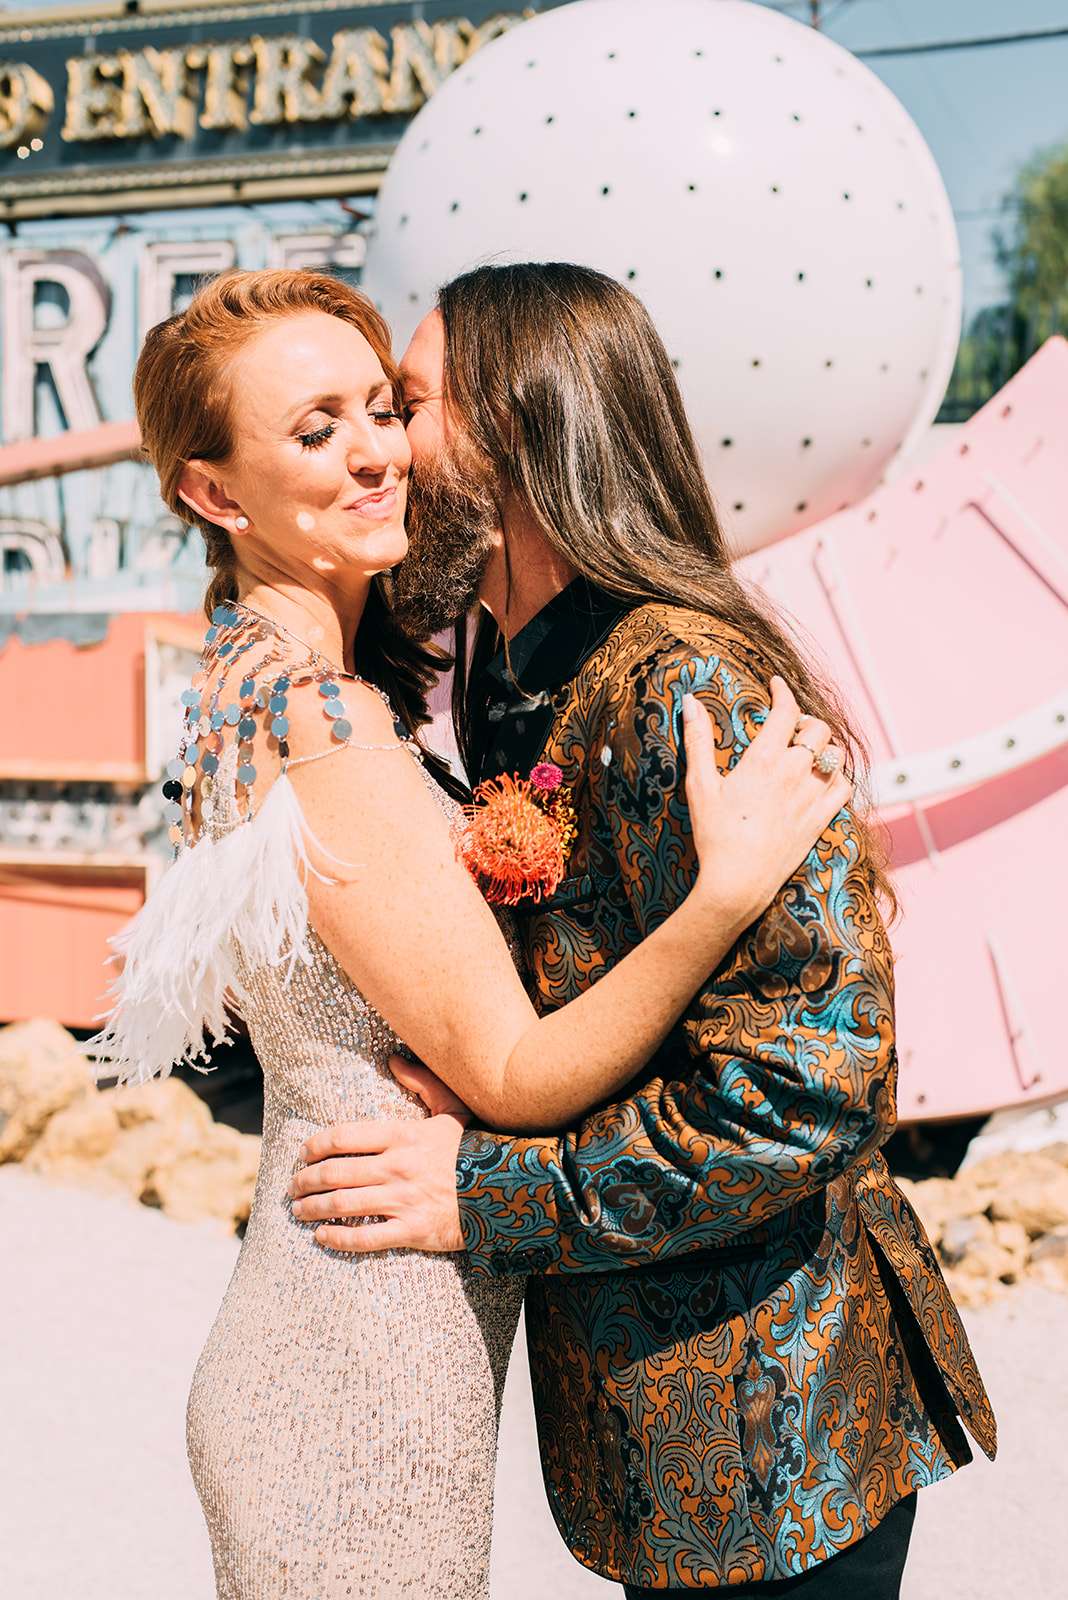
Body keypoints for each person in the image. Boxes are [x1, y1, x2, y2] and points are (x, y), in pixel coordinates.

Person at [92, 268, 850, 1600]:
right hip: (361, 1350)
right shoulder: (323, 718)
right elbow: (513, 1073)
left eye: (383, 408)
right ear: (214, 494)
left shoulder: (252, 675)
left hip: (336, 1304)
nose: (376, 451)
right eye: (315, 428)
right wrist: (721, 895)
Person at [291, 262, 998, 1598]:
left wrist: (483, 1193)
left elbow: (806, 1089)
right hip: (659, 1443)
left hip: (780, 1441)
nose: (385, 448)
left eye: (408, 405)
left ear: (515, 425)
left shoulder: (687, 685)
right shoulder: (511, 675)